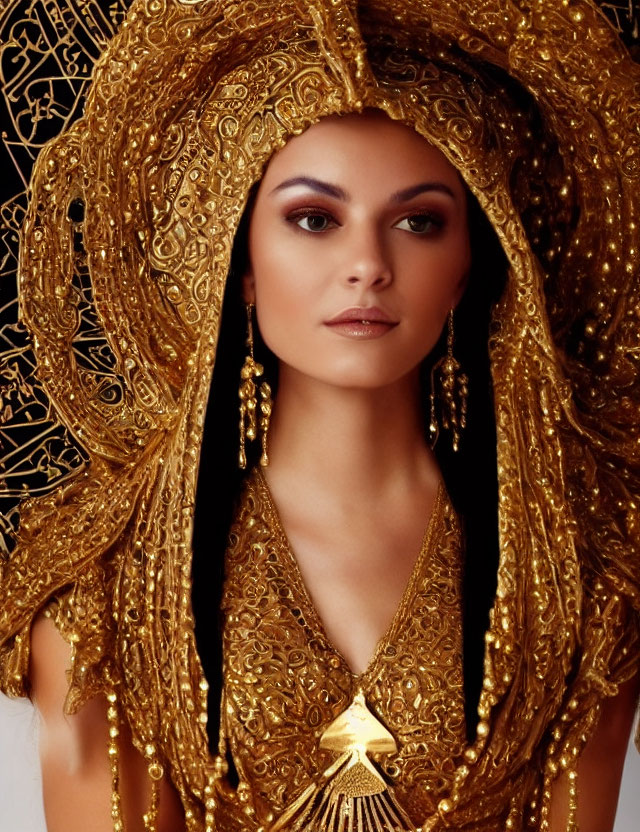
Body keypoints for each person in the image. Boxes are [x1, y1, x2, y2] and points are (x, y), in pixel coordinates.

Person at [1, 1, 639, 830]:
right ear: (237, 265)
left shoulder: (577, 578)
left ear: (467, 269)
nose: (368, 267)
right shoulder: (110, 591)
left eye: (418, 222)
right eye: (314, 219)